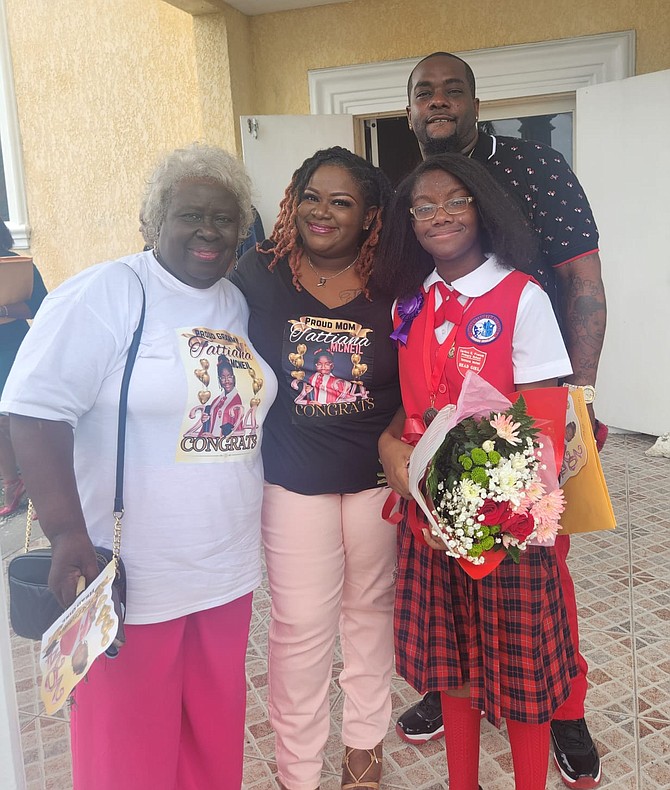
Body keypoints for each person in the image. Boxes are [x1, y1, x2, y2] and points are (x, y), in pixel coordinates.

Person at [1, 143, 278, 790]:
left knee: (212, 746)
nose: (208, 231)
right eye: (189, 215)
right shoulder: (108, 293)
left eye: (225, 217)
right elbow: (34, 410)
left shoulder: (233, 305)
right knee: (128, 757)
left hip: (225, 573)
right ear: (152, 222)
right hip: (126, 577)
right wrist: (67, 532)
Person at [398, 51, 606, 788]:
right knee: (453, 648)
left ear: (477, 102)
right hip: (438, 504)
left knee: (534, 637)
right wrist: (406, 460)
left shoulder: (534, 175)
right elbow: (414, 398)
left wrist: (571, 419)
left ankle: (565, 713)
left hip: (521, 482)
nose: (439, 102)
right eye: (425, 92)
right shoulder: (416, 292)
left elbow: (583, 280)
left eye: (453, 90)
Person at [376, 153, 577, 790]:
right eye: (424, 206)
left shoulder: (523, 296)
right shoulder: (412, 303)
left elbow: (543, 426)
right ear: (408, 221)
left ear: (481, 209)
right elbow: (406, 411)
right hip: (428, 520)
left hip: (505, 525)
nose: (440, 216)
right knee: (452, 667)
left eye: (455, 201)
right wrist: (396, 460)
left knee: (522, 677)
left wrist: (477, 521)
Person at [229, 147, 398, 790]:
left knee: (369, 612)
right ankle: (297, 771)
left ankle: (364, 753)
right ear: (291, 201)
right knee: (300, 627)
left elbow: (417, 373)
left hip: (375, 479)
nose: (321, 212)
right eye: (310, 196)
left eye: (341, 201)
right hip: (292, 479)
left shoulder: (395, 279)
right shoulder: (259, 274)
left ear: (369, 217)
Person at [0, 219, 47, 516]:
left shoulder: (17, 265)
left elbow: (42, 304)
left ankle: (42, 486)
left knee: (16, 418)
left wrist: (4, 309)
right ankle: (12, 483)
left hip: (13, 346)